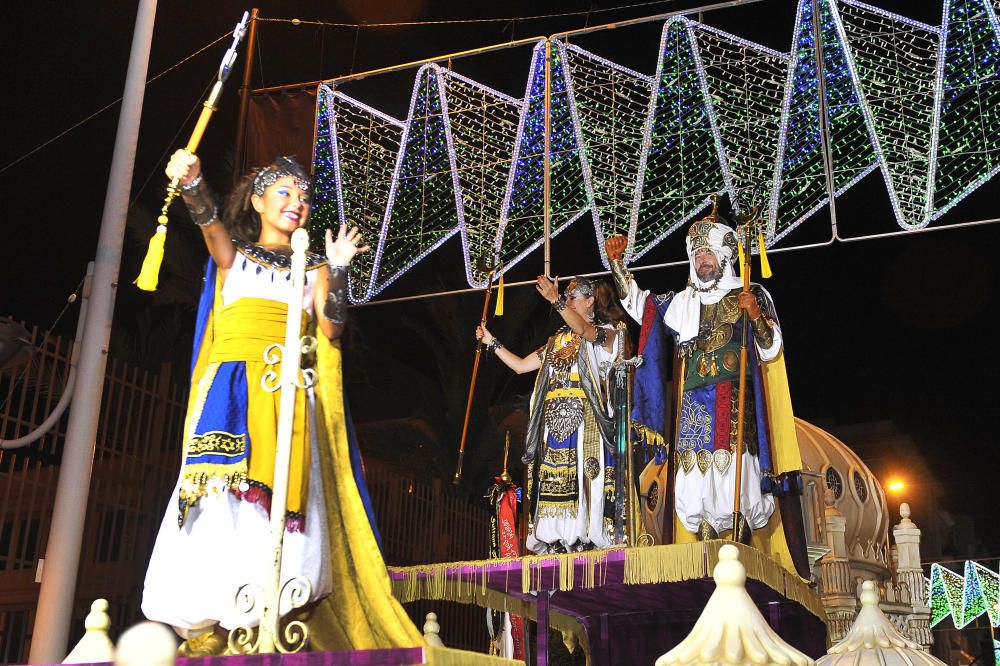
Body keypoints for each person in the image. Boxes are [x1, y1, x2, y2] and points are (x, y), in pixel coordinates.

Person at [141, 150, 422, 655]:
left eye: (305, 197)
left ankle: (266, 611)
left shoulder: (312, 266)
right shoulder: (233, 253)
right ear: (257, 200)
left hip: (287, 392)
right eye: (285, 193)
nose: (297, 203)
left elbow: (332, 327)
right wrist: (194, 179)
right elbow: (206, 218)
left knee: (278, 502)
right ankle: (217, 617)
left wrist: (337, 271)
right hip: (229, 390)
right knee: (219, 498)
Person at [605, 214, 809, 578]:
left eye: (708, 254)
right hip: (693, 408)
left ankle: (741, 562)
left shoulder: (750, 293)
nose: (702, 261)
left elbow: (770, 347)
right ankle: (706, 569)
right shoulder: (683, 302)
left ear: (724, 256)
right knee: (695, 484)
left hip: (735, 405)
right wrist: (618, 264)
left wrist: (756, 315)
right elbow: (641, 307)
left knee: (737, 482)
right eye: (697, 255)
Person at [476, 275, 625, 554]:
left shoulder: (606, 333)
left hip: (586, 419)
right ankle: (556, 538)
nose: (567, 302)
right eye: (565, 298)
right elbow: (521, 366)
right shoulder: (556, 342)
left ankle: (587, 536)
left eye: (572, 298)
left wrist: (554, 301)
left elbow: (584, 329)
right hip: (553, 422)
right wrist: (490, 341)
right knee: (553, 477)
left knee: (585, 473)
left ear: (590, 301)